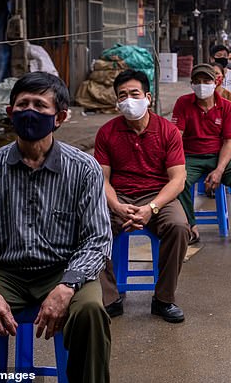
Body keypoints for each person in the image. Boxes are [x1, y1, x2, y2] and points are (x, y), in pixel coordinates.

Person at [0, 72, 112, 382]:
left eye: (39, 105)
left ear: (59, 117)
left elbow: (97, 240)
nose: (29, 111)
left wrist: (67, 286)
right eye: (22, 104)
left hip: (64, 269)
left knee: (91, 313)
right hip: (6, 273)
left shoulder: (83, 168)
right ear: (10, 113)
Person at [95, 69, 189, 323]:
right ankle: (110, 299)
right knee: (91, 227)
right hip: (120, 195)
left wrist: (152, 207)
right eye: (122, 95)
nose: (128, 100)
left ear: (148, 97)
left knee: (179, 227)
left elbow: (177, 180)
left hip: (158, 196)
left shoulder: (167, 131)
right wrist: (114, 205)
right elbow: (101, 179)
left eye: (134, 93)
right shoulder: (107, 132)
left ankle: (163, 299)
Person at [172, 64, 231, 246]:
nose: (202, 85)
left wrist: (219, 170)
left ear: (216, 82)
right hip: (191, 156)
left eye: (206, 81)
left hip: (220, 155)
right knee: (178, 181)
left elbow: (229, 142)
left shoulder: (226, 106)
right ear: (192, 84)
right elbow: (176, 136)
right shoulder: (183, 103)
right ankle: (191, 226)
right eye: (197, 81)